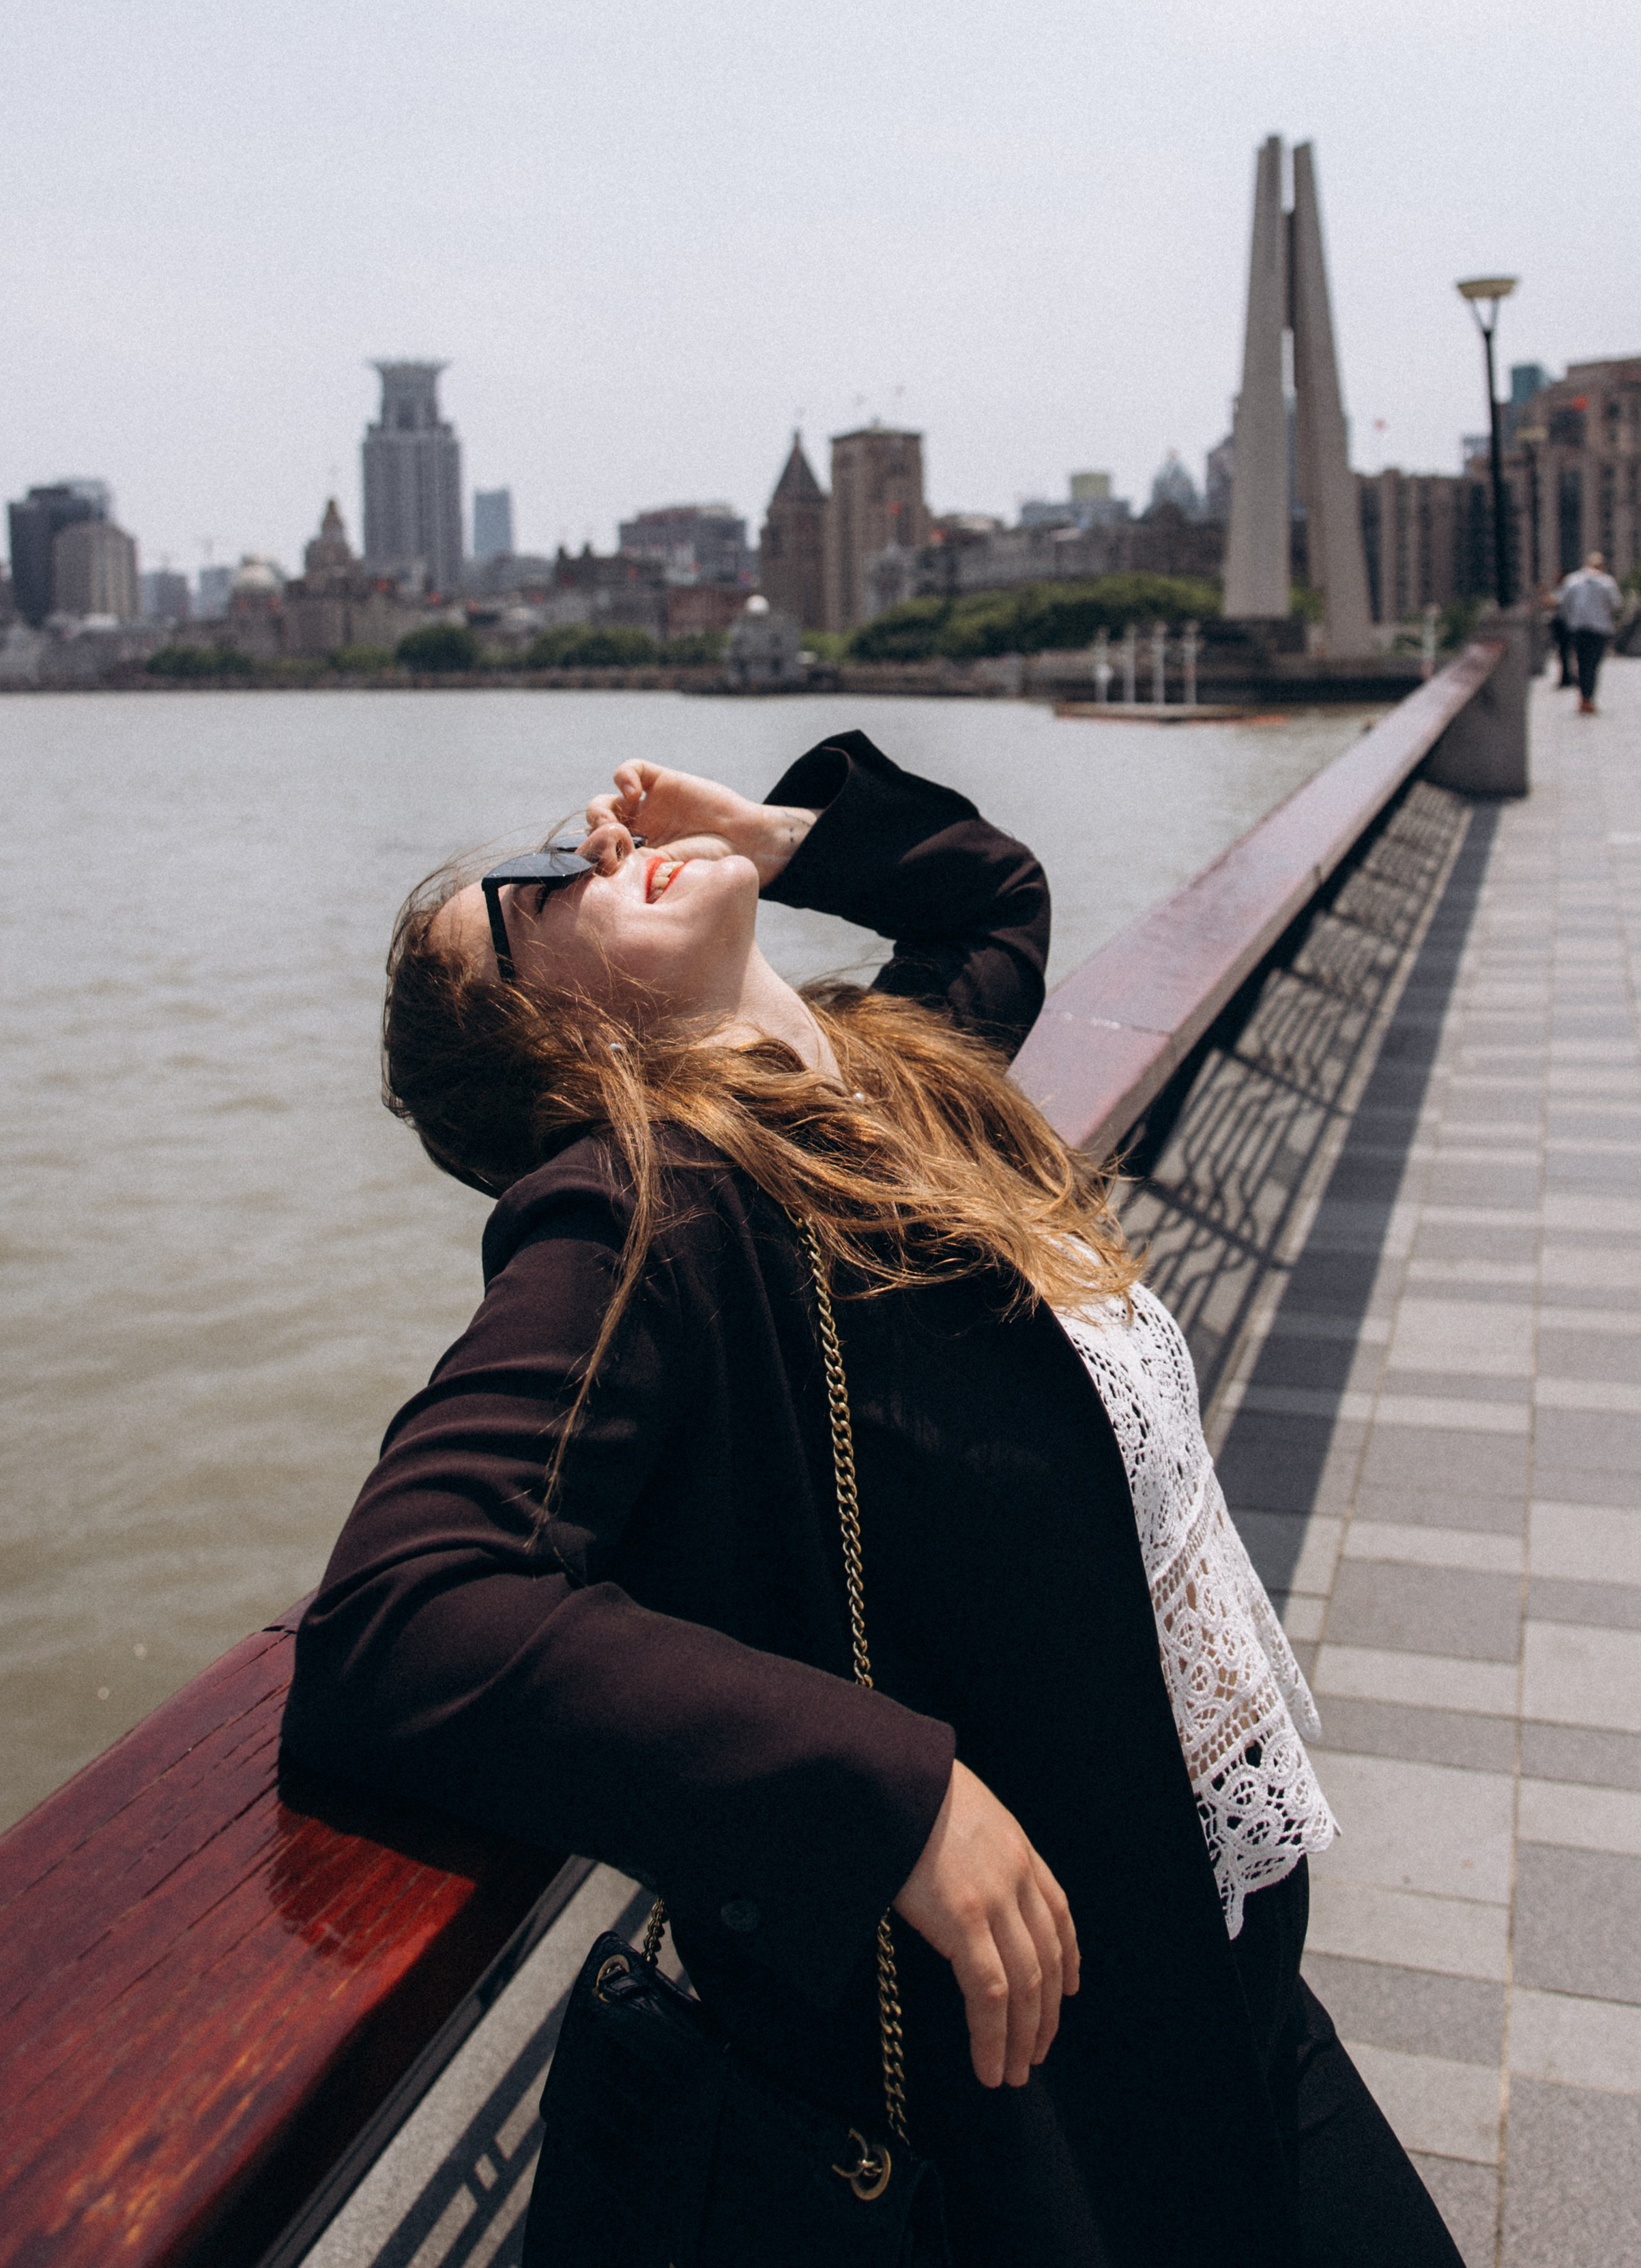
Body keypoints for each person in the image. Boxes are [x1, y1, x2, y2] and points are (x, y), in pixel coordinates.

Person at [283, 730, 1462, 2268]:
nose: (589, 848)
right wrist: (887, 1796)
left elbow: (993, 904)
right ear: (552, 1037)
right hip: (1059, 2077)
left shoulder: (882, 1081)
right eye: (542, 887)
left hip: (1225, 1960)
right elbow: (405, 1609)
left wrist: (764, 835)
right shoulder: (644, 1214)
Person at [1557, 548, 1621, 712]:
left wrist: (1572, 620)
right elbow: (1616, 604)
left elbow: (1563, 604)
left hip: (1579, 628)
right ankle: (1588, 698)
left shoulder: (1572, 580)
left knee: (1581, 663)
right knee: (1593, 664)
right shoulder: (1607, 582)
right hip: (1600, 629)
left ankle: (1584, 697)